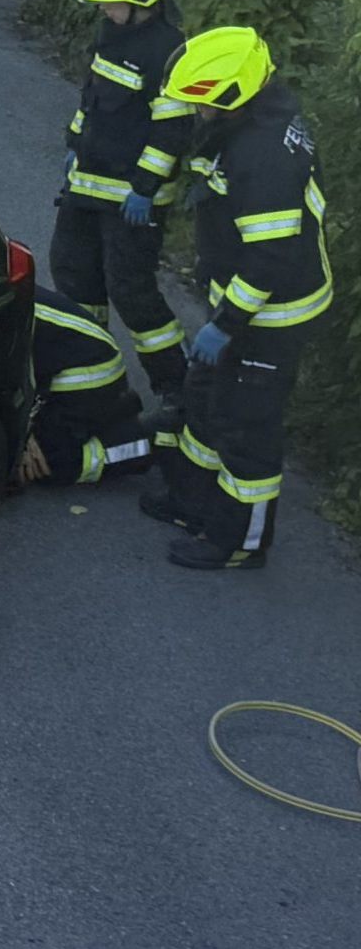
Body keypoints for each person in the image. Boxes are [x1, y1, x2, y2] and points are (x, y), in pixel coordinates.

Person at [140, 28, 333, 570]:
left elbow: (270, 258)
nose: (197, 113)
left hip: (271, 312)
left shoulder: (262, 156)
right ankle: (192, 503)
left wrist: (226, 323)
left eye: (202, 104)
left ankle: (240, 542)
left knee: (246, 426)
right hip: (240, 302)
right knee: (205, 402)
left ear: (230, 97)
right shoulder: (254, 114)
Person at [50, 0, 192, 413]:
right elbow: (91, 100)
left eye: (112, 2)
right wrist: (75, 146)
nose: (105, 10)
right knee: (75, 276)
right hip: (87, 183)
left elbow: (171, 132)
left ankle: (175, 384)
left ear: (143, 0)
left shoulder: (170, 53)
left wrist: (145, 189)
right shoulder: (111, 35)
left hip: (134, 199)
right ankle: (91, 370)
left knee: (130, 291)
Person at [14, 287, 152, 488]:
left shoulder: (0, 316)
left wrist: (22, 437)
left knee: (34, 464)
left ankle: (142, 442)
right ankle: (113, 412)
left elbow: (18, 374)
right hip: (59, 363)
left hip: (89, 372)